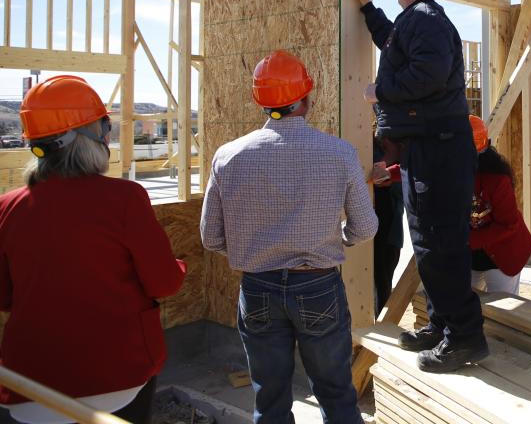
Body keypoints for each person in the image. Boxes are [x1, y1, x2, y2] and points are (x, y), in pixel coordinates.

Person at [200, 51, 377, 424]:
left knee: (270, 399)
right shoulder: (339, 153)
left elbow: (210, 237)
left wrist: (254, 247)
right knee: (335, 392)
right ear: (307, 98)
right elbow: (366, 227)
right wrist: (335, 240)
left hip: (258, 289)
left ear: (259, 101)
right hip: (318, 285)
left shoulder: (228, 156)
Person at [0, 75, 185, 424]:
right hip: (117, 379)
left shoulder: (8, 207)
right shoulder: (124, 199)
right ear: (82, 137)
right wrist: (177, 267)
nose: (107, 138)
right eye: (104, 127)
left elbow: (4, 296)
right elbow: (164, 284)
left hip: (31, 387)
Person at [352, 0, 487, 374]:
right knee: (429, 243)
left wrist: (381, 92)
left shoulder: (426, 21)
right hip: (429, 148)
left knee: (439, 244)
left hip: (438, 149)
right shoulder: (416, 22)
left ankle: (465, 338)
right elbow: (392, 43)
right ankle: (444, 324)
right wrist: (368, 8)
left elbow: (426, 74)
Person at [467, 115, 531, 294]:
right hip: (471, 254)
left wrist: (469, 240)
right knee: (466, 308)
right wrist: (390, 174)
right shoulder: (452, 170)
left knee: (502, 310)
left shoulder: (497, 180)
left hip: (504, 254)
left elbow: (509, 225)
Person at [372, 132, 405, 314]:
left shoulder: (402, 153)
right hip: (366, 232)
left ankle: (381, 325)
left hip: (389, 234)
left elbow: (404, 190)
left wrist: (388, 179)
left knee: (382, 284)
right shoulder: (367, 148)